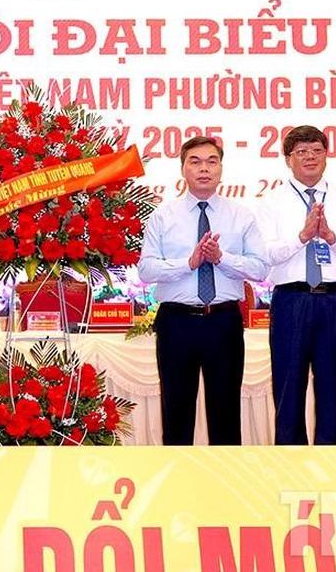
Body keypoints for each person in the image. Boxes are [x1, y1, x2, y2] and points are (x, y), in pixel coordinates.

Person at [137, 136, 267, 445]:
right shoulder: (163, 216)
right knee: (176, 413)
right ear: (183, 169)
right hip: (176, 322)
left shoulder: (241, 215)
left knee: (225, 414)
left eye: (212, 161)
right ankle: (176, 473)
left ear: (221, 168)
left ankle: (225, 474)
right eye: (195, 162)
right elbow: (146, 270)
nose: (204, 169)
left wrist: (221, 258)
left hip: (223, 322)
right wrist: (189, 263)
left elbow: (260, 269)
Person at [256, 125, 336, 445]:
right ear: (288, 159)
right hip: (291, 300)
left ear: (326, 156)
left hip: (335, 301)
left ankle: (330, 461)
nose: (310, 157)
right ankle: (289, 461)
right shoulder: (272, 202)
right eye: (302, 152)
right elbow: (265, 255)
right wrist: (302, 237)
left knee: (332, 390)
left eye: (317, 151)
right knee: (288, 389)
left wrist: (332, 238)